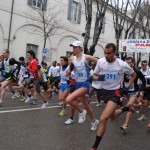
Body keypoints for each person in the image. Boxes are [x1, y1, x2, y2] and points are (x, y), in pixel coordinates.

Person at [90, 43, 136, 150]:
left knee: (103, 118)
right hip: (104, 92)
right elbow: (94, 75)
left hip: (116, 93)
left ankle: (94, 147)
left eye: (109, 53)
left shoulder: (122, 64)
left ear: (115, 53)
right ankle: (126, 108)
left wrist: (127, 87)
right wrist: (100, 78)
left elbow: (133, 75)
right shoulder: (101, 62)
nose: (106, 55)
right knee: (113, 117)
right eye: (105, 53)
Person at [66, 40, 99, 131]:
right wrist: (69, 71)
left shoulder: (86, 57)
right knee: (87, 106)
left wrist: (96, 72)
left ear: (81, 48)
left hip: (85, 84)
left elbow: (99, 62)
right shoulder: (72, 59)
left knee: (69, 99)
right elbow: (68, 72)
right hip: (77, 84)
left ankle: (81, 112)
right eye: (73, 47)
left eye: (76, 47)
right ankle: (94, 121)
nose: (74, 49)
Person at [114, 57, 146, 131]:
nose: (128, 64)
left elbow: (144, 81)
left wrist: (141, 91)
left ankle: (126, 124)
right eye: (127, 62)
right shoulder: (122, 70)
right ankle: (138, 106)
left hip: (134, 91)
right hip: (125, 91)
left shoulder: (137, 71)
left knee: (129, 105)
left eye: (130, 62)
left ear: (133, 63)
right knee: (126, 105)